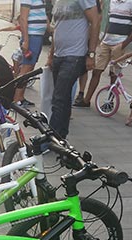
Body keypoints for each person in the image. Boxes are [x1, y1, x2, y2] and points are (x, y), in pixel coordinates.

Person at [45, 0, 100, 139]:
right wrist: (51, 55)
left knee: (58, 98)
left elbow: (95, 21)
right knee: (63, 98)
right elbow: (56, 28)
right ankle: (61, 136)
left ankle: (50, 138)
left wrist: (91, 54)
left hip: (75, 55)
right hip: (58, 55)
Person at [75, 0, 132, 108]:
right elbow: (109, 21)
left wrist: (124, 43)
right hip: (106, 42)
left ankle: (109, 102)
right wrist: (102, 38)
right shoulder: (112, 2)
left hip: (120, 43)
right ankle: (86, 100)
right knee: (96, 70)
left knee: (114, 74)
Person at [13, 0, 49, 107]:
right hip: (32, 36)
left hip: (37, 35)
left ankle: (20, 97)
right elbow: (23, 18)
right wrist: (26, 40)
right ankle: (16, 99)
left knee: (29, 68)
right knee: (26, 68)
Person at [73, 0, 103, 106]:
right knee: (79, 69)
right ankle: (78, 93)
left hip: (87, 40)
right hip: (80, 39)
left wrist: (92, 50)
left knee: (83, 69)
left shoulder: (95, 7)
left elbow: (97, 21)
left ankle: (81, 92)